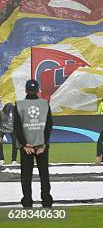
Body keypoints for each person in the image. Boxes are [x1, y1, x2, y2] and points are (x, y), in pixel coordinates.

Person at [13, 79, 53, 208]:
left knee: (26, 176)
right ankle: (46, 200)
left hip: (26, 148)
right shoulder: (45, 104)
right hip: (42, 146)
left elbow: (17, 127)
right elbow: (49, 126)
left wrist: (24, 144)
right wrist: (44, 144)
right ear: (38, 90)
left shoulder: (18, 105)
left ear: (25, 90)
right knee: (44, 175)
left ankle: (27, 201)